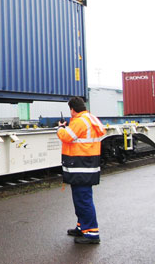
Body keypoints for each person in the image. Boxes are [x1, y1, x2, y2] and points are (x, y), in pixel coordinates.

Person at [57, 96, 106, 244]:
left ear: (72, 109)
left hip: (80, 165)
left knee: (83, 200)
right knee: (81, 199)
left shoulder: (79, 121)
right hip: (87, 165)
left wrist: (60, 127)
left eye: (70, 109)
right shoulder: (90, 118)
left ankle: (92, 233)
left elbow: (66, 137)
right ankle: (82, 227)